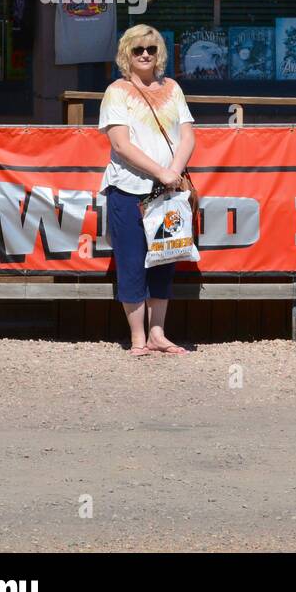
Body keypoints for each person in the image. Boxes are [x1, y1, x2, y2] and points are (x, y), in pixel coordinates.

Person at [99, 24, 196, 356]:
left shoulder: (173, 88)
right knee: (130, 262)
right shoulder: (116, 91)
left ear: (159, 54)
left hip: (167, 192)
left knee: (165, 261)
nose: (144, 55)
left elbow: (187, 136)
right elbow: (120, 144)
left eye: (151, 49)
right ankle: (138, 338)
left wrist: (173, 173)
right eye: (138, 49)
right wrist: (161, 172)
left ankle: (158, 334)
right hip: (128, 189)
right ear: (126, 53)